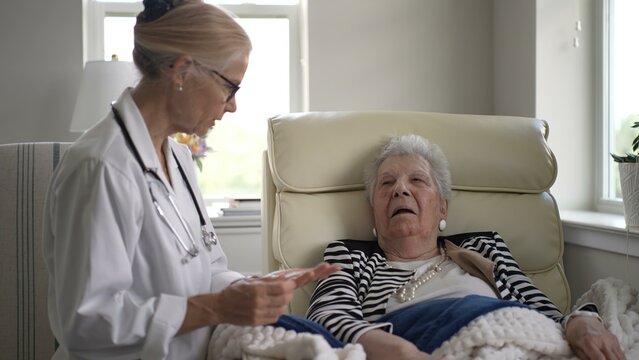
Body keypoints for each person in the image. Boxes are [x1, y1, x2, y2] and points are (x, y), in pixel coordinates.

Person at [42, 1, 338, 358]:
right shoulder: (102, 167)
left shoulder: (179, 158)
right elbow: (87, 322)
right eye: (231, 87)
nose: (232, 106)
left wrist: (253, 288)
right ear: (182, 71)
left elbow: (209, 268)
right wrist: (217, 308)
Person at [306, 134, 625, 360]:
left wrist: (583, 323)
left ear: (443, 207)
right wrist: (402, 352)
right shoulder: (349, 256)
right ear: (373, 210)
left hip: (511, 335)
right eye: (387, 183)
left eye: (417, 180)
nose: (400, 189)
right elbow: (328, 317)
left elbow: (545, 312)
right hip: (412, 341)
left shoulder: (484, 248)